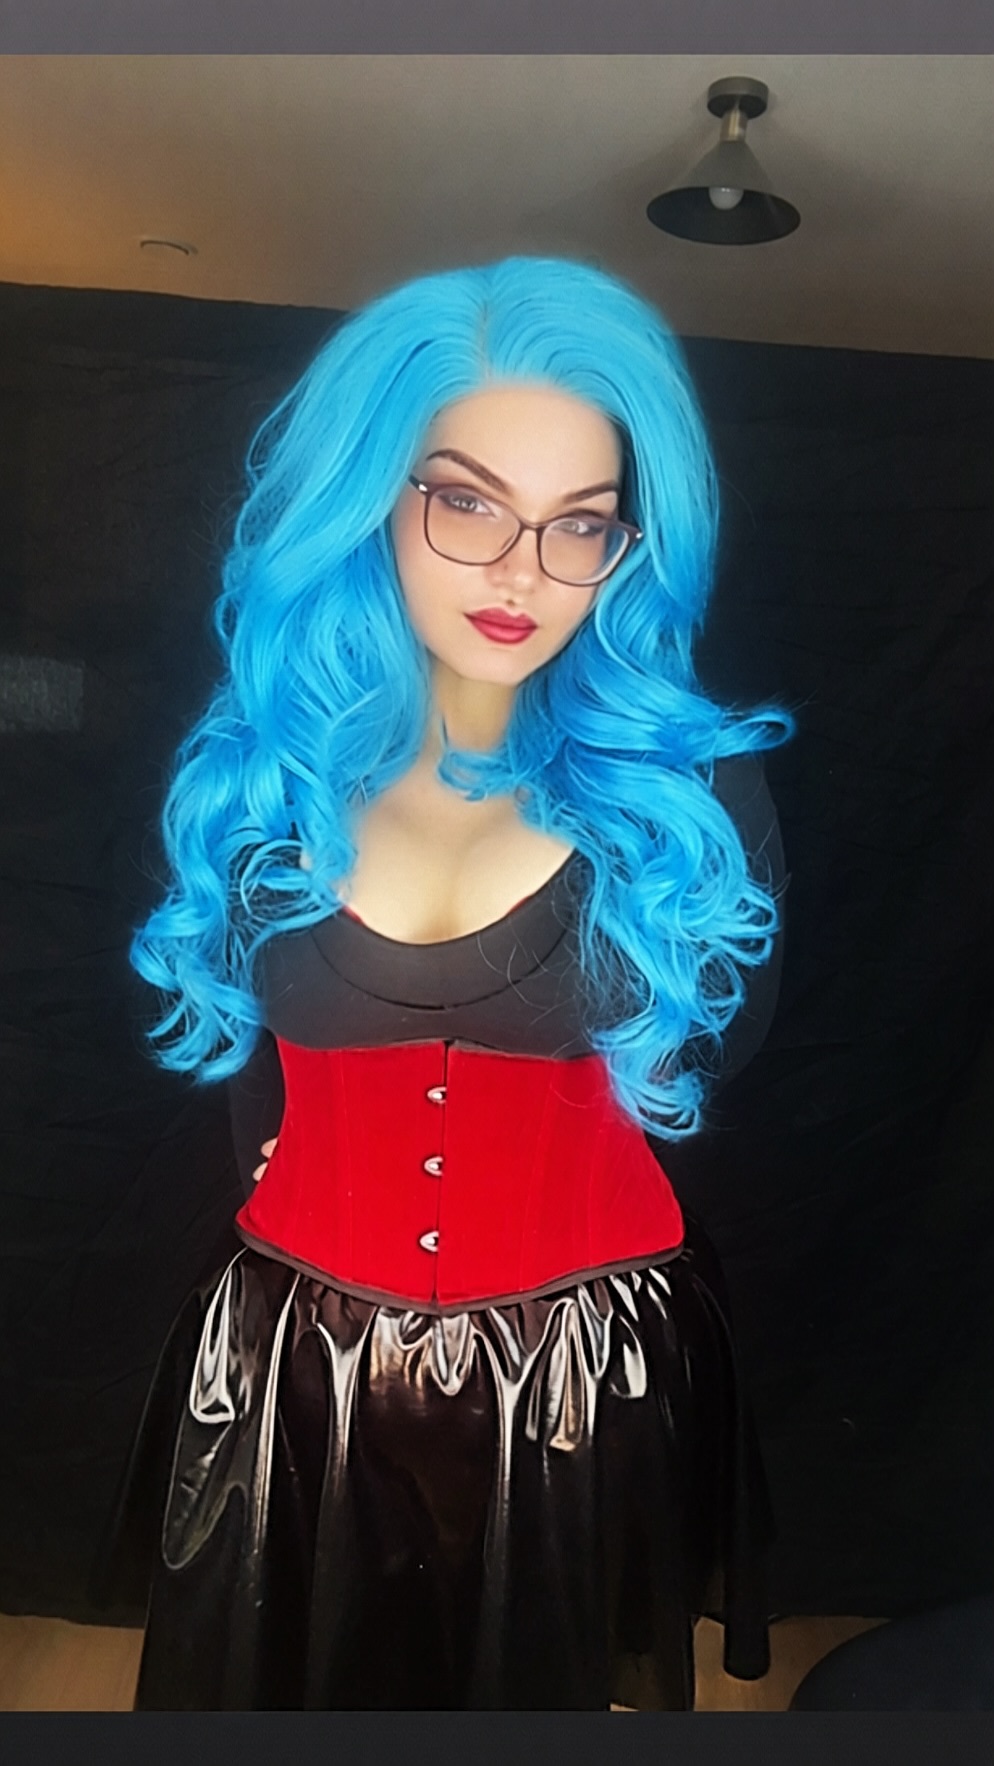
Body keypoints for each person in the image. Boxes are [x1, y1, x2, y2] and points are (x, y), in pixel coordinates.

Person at [109, 255, 793, 1711]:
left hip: (578, 1360)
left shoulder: (690, 800)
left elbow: (708, 1058)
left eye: (580, 523)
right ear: (370, 493)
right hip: (296, 1358)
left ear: (628, 544)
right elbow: (251, 1072)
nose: (521, 574)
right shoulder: (262, 782)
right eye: (467, 503)